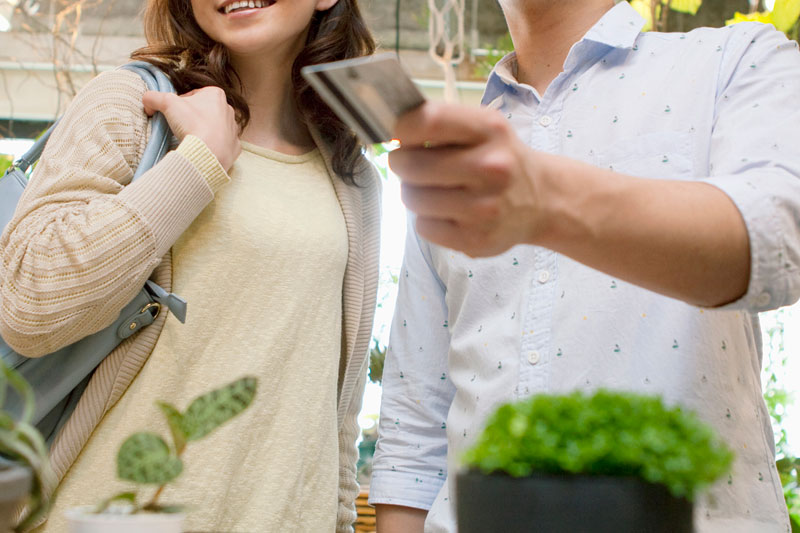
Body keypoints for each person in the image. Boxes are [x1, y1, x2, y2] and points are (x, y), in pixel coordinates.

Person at [369, 1, 800, 531]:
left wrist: (547, 199)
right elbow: (415, 429)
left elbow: (778, 240)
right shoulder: (454, 163)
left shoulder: (736, 60)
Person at [0, 0, 380, 531]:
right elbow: (30, 303)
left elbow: (338, 413)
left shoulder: (352, 177)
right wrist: (198, 162)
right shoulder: (132, 106)